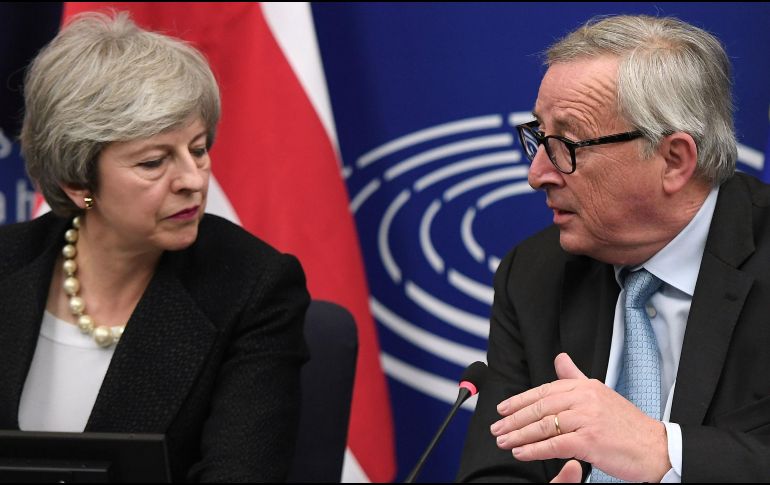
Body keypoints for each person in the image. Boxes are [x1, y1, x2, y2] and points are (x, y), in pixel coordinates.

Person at [457, 14, 770, 483]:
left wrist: (661, 450)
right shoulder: (534, 273)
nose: (537, 173)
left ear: (674, 159)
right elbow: (494, 469)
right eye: (540, 137)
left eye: (566, 143)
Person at [0, 11, 309, 482]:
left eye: (199, 149)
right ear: (78, 179)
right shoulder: (6, 265)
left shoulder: (252, 288)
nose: (192, 180)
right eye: (153, 161)